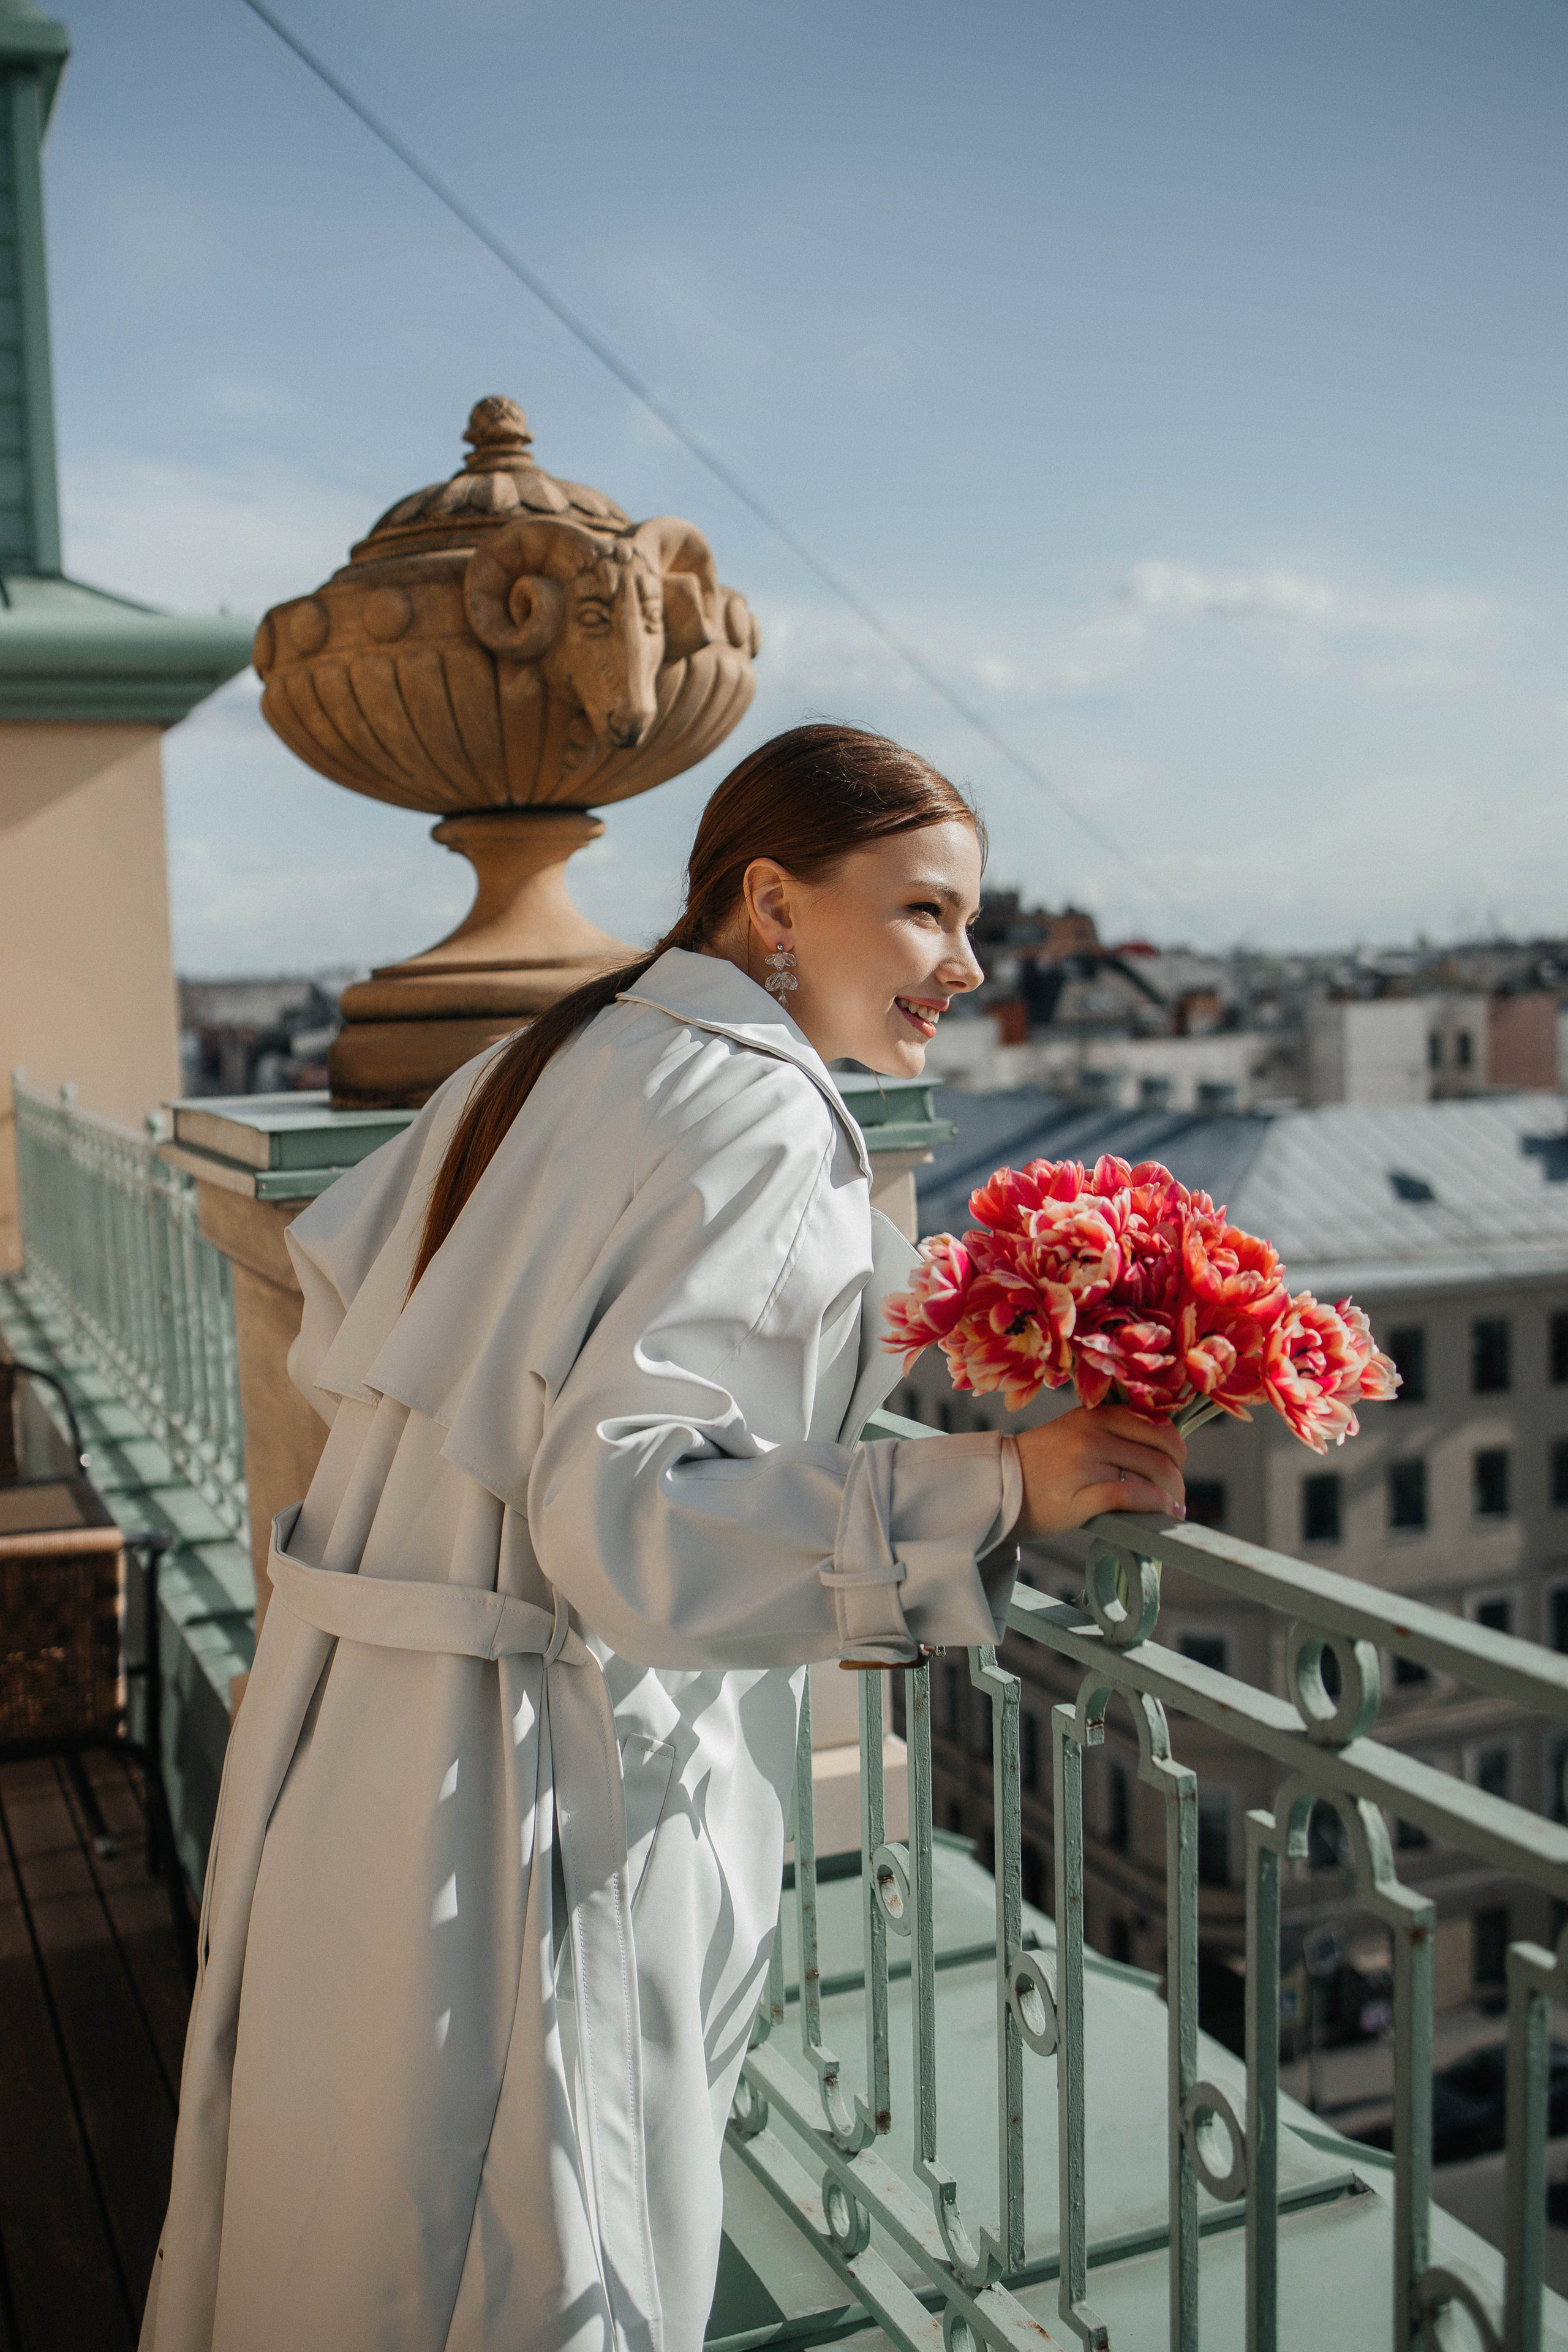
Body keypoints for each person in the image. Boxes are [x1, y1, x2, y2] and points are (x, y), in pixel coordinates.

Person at [141, 723, 1185, 2352]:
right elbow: (625, 1514)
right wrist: (997, 1493)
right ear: (775, 899)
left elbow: (376, 1324)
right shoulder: (766, 1116)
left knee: (336, 2234)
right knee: (533, 2275)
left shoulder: (555, 1054)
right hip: (527, 1809)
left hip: (357, 1744)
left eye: (971, 920)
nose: (968, 966)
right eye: (925, 913)